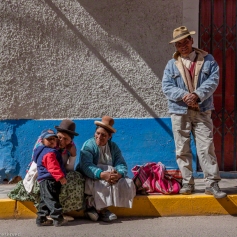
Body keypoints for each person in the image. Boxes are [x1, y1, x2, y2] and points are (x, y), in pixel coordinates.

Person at [162, 26, 227, 198]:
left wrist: (197, 95)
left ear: (191, 41)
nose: (183, 46)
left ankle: (212, 183)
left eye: (185, 41)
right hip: (179, 111)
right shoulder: (171, 65)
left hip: (202, 110)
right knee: (182, 148)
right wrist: (185, 96)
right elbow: (167, 87)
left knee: (206, 146)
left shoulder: (208, 60)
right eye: (178, 44)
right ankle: (187, 182)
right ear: (175, 46)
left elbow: (213, 80)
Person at [8, 119, 85, 215]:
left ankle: (62, 211)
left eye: (66, 139)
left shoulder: (70, 147)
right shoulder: (46, 144)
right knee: (51, 185)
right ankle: (50, 212)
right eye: (60, 137)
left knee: (75, 177)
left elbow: (69, 169)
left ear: (70, 141)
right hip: (41, 175)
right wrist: (59, 177)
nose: (61, 141)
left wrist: (73, 155)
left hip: (57, 175)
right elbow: (40, 167)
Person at [76, 115, 136, 222]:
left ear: (109, 136)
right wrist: (102, 174)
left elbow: (121, 164)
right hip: (91, 175)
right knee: (101, 183)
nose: (99, 137)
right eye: (97, 133)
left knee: (127, 183)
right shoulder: (88, 145)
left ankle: (93, 208)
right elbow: (86, 165)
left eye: (103, 135)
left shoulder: (113, 147)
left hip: (109, 175)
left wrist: (118, 174)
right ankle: (103, 210)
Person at [34, 129, 67, 227]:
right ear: (43, 141)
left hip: (45, 180)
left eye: (54, 139)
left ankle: (41, 219)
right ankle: (58, 218)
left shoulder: (45, 151)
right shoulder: (49, 153)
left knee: (45, 199)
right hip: (49, 180)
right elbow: (53, 167)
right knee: (52, 200)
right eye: (49, 139)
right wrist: (61, 177)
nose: (52, 141)